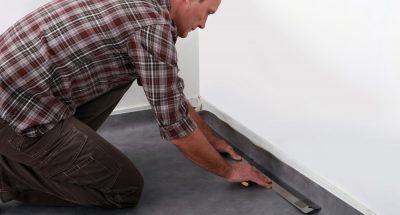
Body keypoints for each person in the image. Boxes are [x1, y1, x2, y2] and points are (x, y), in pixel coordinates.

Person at [0, 0, 272, 208]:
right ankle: (5, 181)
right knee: (125, 190)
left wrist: (211, 139)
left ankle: (48, 155)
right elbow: (176, 129)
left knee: (125, 73)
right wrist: (228, 171)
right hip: (14, 113)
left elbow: (170, 94)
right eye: (208, 12)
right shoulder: (152, 27)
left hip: (22, 96)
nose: (203, 24)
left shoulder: (143, 8)